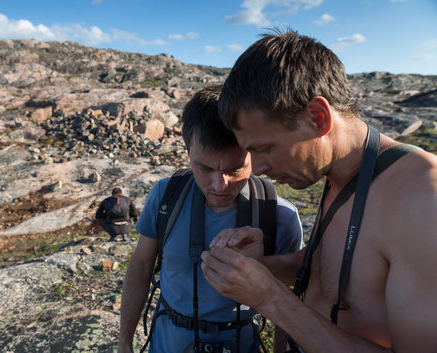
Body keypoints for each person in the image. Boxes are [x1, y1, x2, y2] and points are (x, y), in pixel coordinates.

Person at [200, 30, 437, 353]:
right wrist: (262, 268)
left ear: (318, 117)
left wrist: (270, 297)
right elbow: (340, 270)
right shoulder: (336, 172)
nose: (258, 169)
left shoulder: (422, 199)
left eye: (265, 148)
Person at [118, 85, 303, 353]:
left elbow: (288, 294)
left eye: (235, 169)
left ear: (254, 154)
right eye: (204, 168)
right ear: (187, 152)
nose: (219, 185)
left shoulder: (279, 216)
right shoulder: (165, 196)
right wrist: (124, 342)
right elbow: (142, 264)